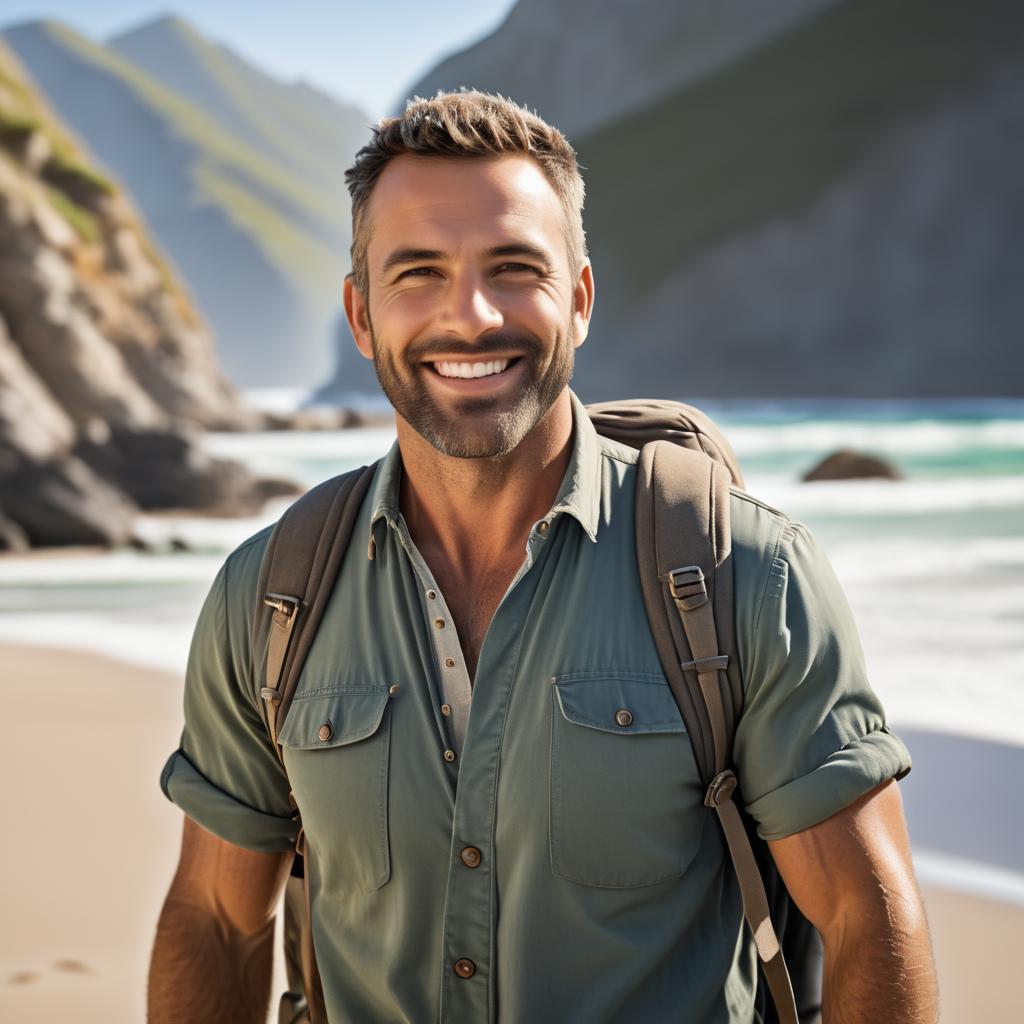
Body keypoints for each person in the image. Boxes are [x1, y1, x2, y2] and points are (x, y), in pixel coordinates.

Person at [148, 91, 938, 1023]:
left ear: (581, 298)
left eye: (514, 267)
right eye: (420, 273)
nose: (470, 315)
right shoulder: (271, 596)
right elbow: (213, 919)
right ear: (361, 317)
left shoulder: (743, 578)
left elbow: (866, 918)